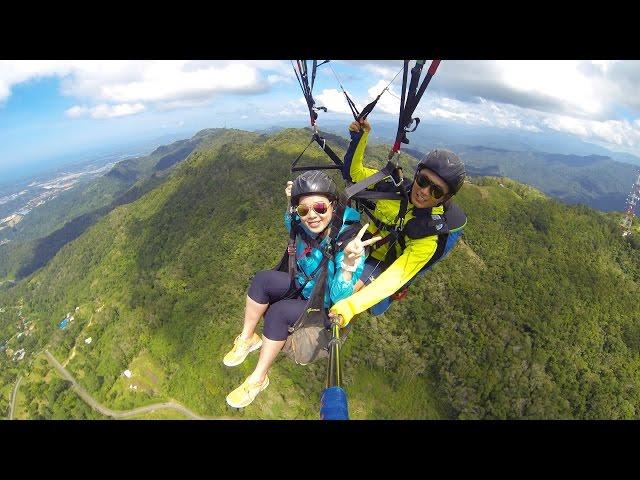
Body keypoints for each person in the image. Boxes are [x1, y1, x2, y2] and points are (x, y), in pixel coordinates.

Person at [224, 170, 380, 408]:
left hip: (324, 302)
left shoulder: (348, 239)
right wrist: (291, 203)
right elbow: (292, 223)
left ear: (333, 205)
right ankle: (247, 339)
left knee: (278, 313)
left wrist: (348, 264)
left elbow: (340, 299)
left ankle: (258, 378)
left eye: (319, 208)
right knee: (262, 280)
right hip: (304, 284)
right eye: (304, 210)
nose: (312, 216)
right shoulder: (303, 222)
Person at [328, 119, 467, 328]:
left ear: (444, 199)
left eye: (436, 191)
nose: (424, 191)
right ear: (417, 174)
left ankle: (382, 302)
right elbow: (355, 174)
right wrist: (360, 138)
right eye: (423, 181)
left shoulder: (428, 236)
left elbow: (396, 274)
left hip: (390, 261)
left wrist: (350, 307)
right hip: (369, 246)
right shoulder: (394, 188)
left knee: (351, 296)